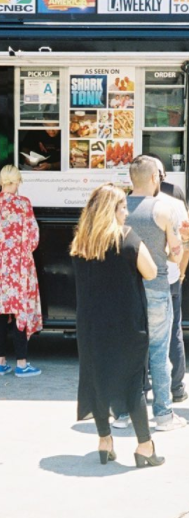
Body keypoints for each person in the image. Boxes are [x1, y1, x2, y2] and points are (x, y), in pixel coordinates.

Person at [71, 183, 164, 467]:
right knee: (132, 384)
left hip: (90, 326)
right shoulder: (127, 238)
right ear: (109, 211)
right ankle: (145, 447)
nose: (126, 212)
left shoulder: (81, 243)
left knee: (98, 380)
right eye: (122, 206)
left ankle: (104, 441)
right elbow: (151, 272)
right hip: (126, 325)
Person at [121, 155, 187, 432]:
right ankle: (163, 416)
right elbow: (175, 252)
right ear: (153, 178)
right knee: (160, 354)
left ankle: (124, 414)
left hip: (125, 294)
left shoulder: (118, 209)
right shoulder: (163, 210)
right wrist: (176, 256)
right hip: (158, 290)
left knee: (128, 353)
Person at [0, 165, 42, 378]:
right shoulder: (23, 204)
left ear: (1, 181)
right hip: (18, 269)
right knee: (19, 312)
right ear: (17, 181)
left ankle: (1, 364)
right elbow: (33, 238)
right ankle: (22, 364)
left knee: (1, 315)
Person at [147, 154, 189, 404]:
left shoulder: (130, 202)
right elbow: (185, 241)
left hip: (142, 278)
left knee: (143, 332)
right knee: (172, 332)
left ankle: (142, 388)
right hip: (171, 276)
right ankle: (176, 388)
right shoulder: (175, 202)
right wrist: (181, 271)